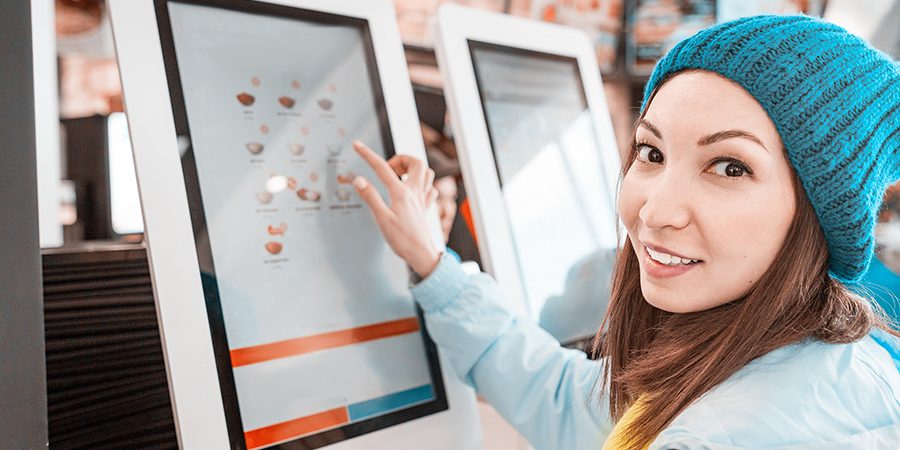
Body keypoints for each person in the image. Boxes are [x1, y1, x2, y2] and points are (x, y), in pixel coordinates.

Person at [350, 15, 899, 450]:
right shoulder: (781, 359)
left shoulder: (712, 437)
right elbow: (570, 405)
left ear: (822, 214)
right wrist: (433, 266)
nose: (655, 211)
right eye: (651, 152)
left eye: (730, 167)